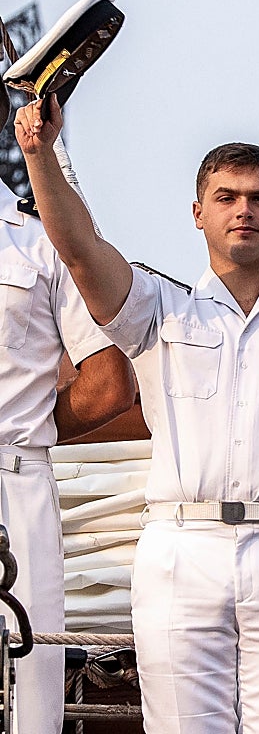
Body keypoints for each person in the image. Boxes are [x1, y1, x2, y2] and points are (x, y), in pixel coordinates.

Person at [14, 94, 259, 734]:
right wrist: (40, 153)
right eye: (225, 197)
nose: (242, 211)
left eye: (257, 198)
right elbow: (80, 249)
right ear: (198, 213)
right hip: (180, 548)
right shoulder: (156, 312)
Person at [0, 144, 134, 734]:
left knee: (30, 684)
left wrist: (27, 429)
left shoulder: (44, 242)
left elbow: (109, 383)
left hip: (14, 482)